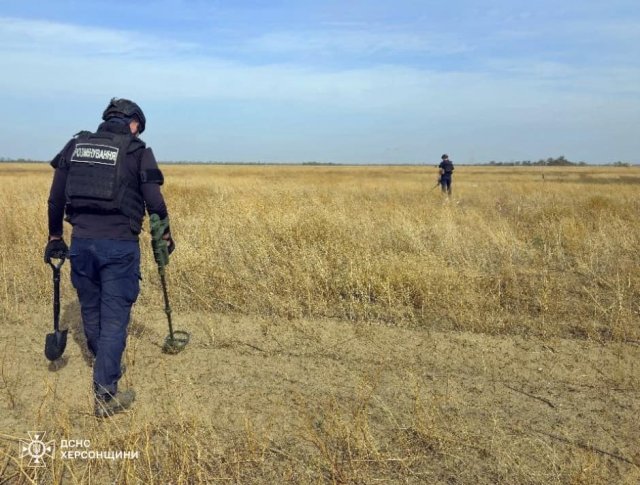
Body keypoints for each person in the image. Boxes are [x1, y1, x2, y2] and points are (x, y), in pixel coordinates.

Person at [45, 98, 174, 418]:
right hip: (119, 246)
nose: (138, 132)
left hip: (82, 243)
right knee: (115, 318)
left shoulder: (76, 146)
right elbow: (155, 201)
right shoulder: (137, 151)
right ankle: (105, 395)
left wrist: (55, 237)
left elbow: (55, 198)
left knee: (91, 307)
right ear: (132, 122)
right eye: (138, 127)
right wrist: (166, 235)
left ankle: (103, 358)